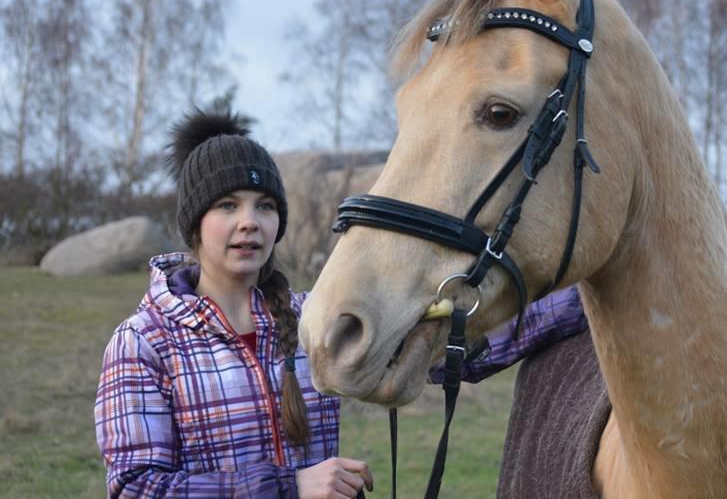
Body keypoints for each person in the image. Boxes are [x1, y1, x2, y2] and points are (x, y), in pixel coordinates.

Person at [94, 109, 587, 498]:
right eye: (228, 206)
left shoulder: (315, 321)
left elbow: (461, 342)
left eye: (264, 206)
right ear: (195, 223)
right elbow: (139, 487)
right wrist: (290, 489)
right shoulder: (143, 342)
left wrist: (588, 296)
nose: (250, 222)